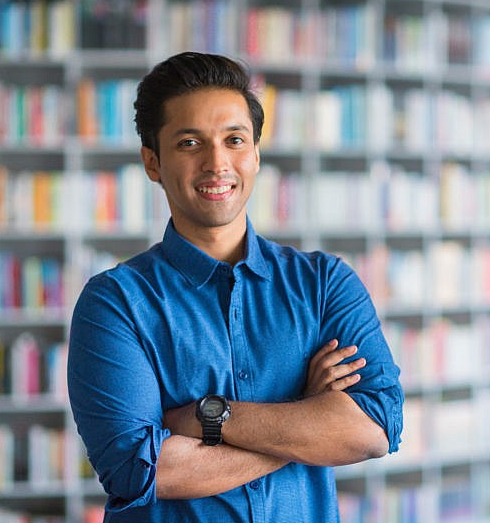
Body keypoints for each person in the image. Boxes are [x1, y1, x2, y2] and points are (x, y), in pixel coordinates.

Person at [67, 51, 404, 522]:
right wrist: (307, 417)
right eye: (189, 143)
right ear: (152, 162)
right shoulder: (114, 303)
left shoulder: (326, 283)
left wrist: (207, 416)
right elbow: (140, 471)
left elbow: (374, 428)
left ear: (256, 154)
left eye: (235, 140)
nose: (217, 163)